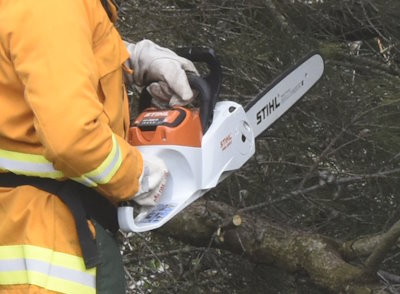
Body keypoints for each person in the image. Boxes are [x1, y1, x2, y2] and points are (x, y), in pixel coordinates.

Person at [0, 0, 198, 292]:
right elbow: (72, 138)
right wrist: (137, 177)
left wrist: (129, 59)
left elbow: (46, 58)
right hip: (48, 244)